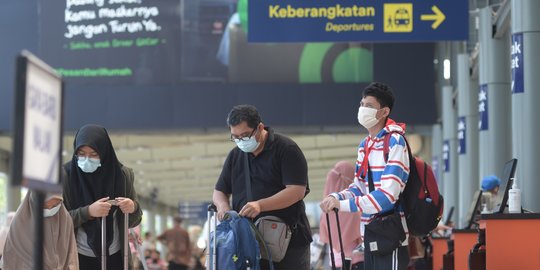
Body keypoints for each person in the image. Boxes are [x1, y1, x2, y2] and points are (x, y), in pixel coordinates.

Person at [320, 82, 411, 270]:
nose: (363, 109)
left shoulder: (395, 141)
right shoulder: (365, 145)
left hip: (391, 233)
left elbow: (388, 196)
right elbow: (358, 187)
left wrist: (343, 205)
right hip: (370, 232)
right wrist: (336, 197)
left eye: (369, 106)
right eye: (362, 104)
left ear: (384, 112)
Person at [213, 104, 312, 270]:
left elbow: (296, 191)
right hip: (249, 243)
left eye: (244, 136)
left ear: (259, 127)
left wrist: (260, 205)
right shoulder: (235, 156)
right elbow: (219, 190)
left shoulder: (287, 149)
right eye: (235, 137)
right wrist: (223, 207)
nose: (240, 141)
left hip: (288, 242)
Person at [62, 124, 143, 269]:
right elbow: (57, 223)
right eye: (81, 153)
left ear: (104, 152)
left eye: (94, 154)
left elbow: (134, 220)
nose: (87, 159)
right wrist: (88, 212)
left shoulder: (122, 175)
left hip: (116, 255)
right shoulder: (66, 176)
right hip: (78, 256)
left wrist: (132, 207)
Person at [1, 191, 79, 269]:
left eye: (55, 205)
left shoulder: (65, 220)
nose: (50, 208)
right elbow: (13, 259)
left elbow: (71, 256)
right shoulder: (20, 222)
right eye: (45, 205)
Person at [319, 161, 364, 270]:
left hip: (335, 263)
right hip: (357, 262)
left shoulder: (326, 212)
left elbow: (325, 238)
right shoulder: (354, 208)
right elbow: (362, 237)